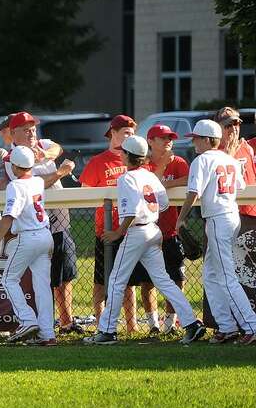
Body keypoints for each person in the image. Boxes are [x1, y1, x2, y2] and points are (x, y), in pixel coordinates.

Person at [85, 135, 205, 345]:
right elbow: (165, 204)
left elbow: (131, 210)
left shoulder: (126, 178)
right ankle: (192, 323)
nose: (120, 154)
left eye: (123, 152)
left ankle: (107, 331)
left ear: (129, 156)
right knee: (164, 281)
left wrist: (117, 232)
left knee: (115, 281)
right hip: (153, 230)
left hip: (137, 232)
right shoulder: (150, 176)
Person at [175, 119, 256, 343]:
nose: (194, 144)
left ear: (207, 139)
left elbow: (193, 193)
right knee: (210, 274)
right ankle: (227, 326)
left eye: (197, 139)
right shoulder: (228, 158)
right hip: (230, 217)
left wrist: (180, 220)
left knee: (226, 277)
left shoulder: (202, 160)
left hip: (219, 220)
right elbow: (239, 186)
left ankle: (251, 325)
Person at [3, 112, 79, 333]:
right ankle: (38, 324)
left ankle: (58, 325)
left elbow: (56, 148)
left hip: (56, 222)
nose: (31, 132)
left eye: (33, 128)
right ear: (13, 133)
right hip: (35, 225)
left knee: (63, 274)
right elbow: (37, 183)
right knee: (40, 281)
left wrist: (45, 154)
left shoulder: (42, 144)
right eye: (25, 129)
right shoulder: (12, 158)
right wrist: (60, 172)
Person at [0, 146, 55, 345]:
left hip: (28, 237)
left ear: (16, 167)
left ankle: (27, 320)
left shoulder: (15, 185)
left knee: (8, 279)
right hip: (45, 235)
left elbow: (9, 216)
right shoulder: (37, 181)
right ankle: (48, 333)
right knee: (42, 286)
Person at [81, 114, 139, 333]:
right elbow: (85, 193)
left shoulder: (136, 160)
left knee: (129, 282)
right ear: (112, 134)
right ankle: (100, 323)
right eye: (125, 133)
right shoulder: (98, 161)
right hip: (105, 229)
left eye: (132, 133)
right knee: (101, 281)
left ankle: (132, 325)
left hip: (131, 228)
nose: (130, 137)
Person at [139, 124, 190, 333]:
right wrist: (161, 177)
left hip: (170, 230)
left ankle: (170, 322)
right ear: (150, 141)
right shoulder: (144, 163)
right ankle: (153, 324)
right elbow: (148, 185)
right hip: (147, 230)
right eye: (163, 138)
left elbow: (188, 179)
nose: (168, 141)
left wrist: (164, 184)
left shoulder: (177, 162)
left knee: (177, 277)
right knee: (147, 281)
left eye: (170, 138)